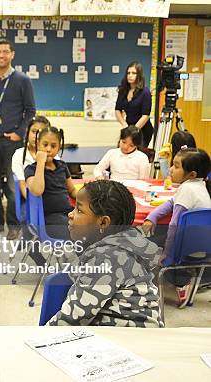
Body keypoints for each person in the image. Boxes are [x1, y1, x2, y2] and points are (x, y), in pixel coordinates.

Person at [47, 180, 162, 327]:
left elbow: (75, 317)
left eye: (79, 210)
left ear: (103, 222)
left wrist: (40, 335)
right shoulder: (127, 242)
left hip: (126, 340)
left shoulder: (105, 257)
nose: (70, 214)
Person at [0, 38, 36, 238]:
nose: (1, 55)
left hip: (13, 141)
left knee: (12, 186)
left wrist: (19, 133)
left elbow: (30, 111)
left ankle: (13, 225)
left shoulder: (22, 80)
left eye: (5, 51)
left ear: (12, 54)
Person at [142, 148, 211, 307]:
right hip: (202, 248)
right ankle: (184, 279)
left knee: (143, 243)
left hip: (185, 250)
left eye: (176, 166)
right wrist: (153, 216)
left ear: (191, 174)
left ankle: (180, 282)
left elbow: (173, 226)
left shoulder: (186, 189)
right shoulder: (200, 186)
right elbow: (170, 203)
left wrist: (167, 255)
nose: (170, 170)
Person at [25, 126, 76, 240]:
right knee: (74, 231)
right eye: (45, 145)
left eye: (53, 146)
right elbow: (37, 191)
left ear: (59, 147)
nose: (48, 149)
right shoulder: (31, 169)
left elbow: (72, 190)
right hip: (46, 219)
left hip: (67, 213)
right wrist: (40, 163)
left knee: (90, 226)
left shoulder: (62, 166)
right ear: (38, 144)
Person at [11, 116, 51, 201]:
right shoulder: (19, 154)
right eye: (34, 131)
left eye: (41, 133)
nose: (36, 136)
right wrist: (33, 203)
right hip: (31, 200)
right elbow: (22, 184)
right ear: (27, 131)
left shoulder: (51, 154)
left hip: (50, 197)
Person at [115, 62, 153, 147]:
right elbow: (117, 110)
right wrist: (124, 124)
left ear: (139, 75)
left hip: (142, 129)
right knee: (121, 149)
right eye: (128, 73)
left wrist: (134, 131)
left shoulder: (145, 92)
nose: (130, 75)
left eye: (134, 73)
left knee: (136, 154)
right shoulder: (123, 90)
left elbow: (145, 115)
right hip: (128, 127)